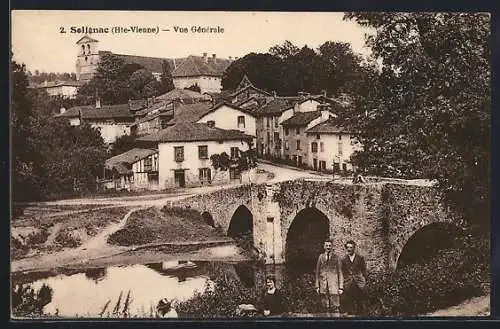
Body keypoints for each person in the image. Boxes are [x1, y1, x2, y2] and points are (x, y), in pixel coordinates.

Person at [315, 239, 344, 314]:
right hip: (323, 285)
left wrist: (341, 287)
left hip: (334, 285)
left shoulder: (336, 257)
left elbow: (340, 272)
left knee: (335, 307)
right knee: (324, 307)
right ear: (324, 246)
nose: (328, 247)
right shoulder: (320, 257)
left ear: (332, 247)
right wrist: (317, 286)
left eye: (330, 246)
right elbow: (317, 272)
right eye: (326, 245)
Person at [340, 240, 368, 316]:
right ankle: (349, 312)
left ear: (354, 248)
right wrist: (343, 282)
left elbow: (364, 270)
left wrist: (364, 280)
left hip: (358, 282)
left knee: (360, 298)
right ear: (346, 248)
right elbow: (342, 271)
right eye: (348, 247)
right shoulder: (343, 259)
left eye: (351, 247)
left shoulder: (360, 258)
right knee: (348, 298)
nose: (349, 249)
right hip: (348, 282)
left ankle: (361, 313)